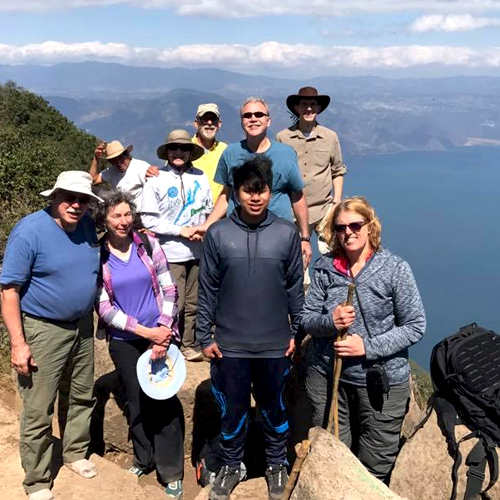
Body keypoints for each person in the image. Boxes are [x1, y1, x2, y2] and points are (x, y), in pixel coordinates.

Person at [197, 157, 304, 500]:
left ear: (271, 192)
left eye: (262, 191)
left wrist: (296, 332)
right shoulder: (217, 234)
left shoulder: (287, 233)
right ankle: (231, 465)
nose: (255, 198)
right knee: (233, 410)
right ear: (237, 192)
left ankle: (276, 465)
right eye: (248, 191)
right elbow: (207, 288)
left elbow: (294, 289)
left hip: (274, 343)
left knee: (275, 408)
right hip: (231, 344)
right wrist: (203, 335)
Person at [301, 196, 426, 483]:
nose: (348, 233)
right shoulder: (324, 268)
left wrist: (366, 347)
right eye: (341, 227)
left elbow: (415, 325)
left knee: (375, 463)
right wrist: (329, 322)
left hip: (378, 381)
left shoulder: (394, 269)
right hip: (329, 377)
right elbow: (307, 319)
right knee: (333, 456)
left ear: (370, 227)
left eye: (355, 225)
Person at [0, 171, 102, 500]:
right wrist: (18, 343)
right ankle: (37, 479)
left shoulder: (86, 226)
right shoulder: (30, 231)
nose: (75, 205)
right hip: (43, 328)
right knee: (37, 406)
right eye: (69, 197)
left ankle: (74, 453)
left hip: (83, 326)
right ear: (54, 196)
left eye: (83, 199)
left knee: (80, 394)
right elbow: (9, 290)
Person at [94, 189, 184, 499]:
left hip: (161, 333)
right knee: (135, 399)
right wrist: (147, 333)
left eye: (126, 214)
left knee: (163, 398)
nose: (123, 221)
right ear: (104, 219)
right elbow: (105, 308)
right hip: (126, 341)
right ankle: (143, 459)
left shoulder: (147, 244)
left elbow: (169, 289)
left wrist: (163, 329)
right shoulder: (99, 255)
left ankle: (171, 470)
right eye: (115, 215)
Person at [195, 97, 312, 268]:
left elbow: (297, 196)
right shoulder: (230, 153)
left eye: (259, 114)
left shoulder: (286, 154)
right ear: (242, 121)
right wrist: (207, 225)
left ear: (268, 120)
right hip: (238, 236)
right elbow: (226, 195)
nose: (253, 119)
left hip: (279, 236)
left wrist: (305, 238)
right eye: (247, 115)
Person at [141, 129, 212, 362]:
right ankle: (166, 342)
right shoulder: (156, 179)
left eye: (183, 148)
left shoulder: (201, 177)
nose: (178, 152)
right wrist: (181, 230)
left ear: (191, 151)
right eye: (174, 148)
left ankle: (189, 344)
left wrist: (203, 229)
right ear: (167, 152)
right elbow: (149, 219)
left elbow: (208, 209)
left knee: (194, 301)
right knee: (174, 302)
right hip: (170, 252)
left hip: (198, 251)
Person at [276, 86, 347, 259]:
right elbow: (278, 174)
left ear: (318, 108)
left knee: (334, 258)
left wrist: (336, 202)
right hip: (293, 212)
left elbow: (337, 170)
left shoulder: (330, 137)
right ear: (296, 108)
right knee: (299, 262)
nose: (309, 108)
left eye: (313, 104)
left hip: (323, 210)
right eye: (304, 104)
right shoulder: (283, 138)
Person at [89, 140, 158, 207]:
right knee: (91, 189)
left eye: (120, 158)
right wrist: (96, 158)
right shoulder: (112, 171)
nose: (119, 163)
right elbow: (92, 180)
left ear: (127, 155)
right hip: (120, 212)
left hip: (139, 214)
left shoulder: (141, 167)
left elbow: (155, 189)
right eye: (114, 161)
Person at [192, 103, 227, 204]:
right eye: (204, 119)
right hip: (190, 214)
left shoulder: (225, 150)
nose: (209, 123)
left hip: (219, 215)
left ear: (219, 124)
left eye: (213, 119)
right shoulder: (184, 149)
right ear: (196, 123)